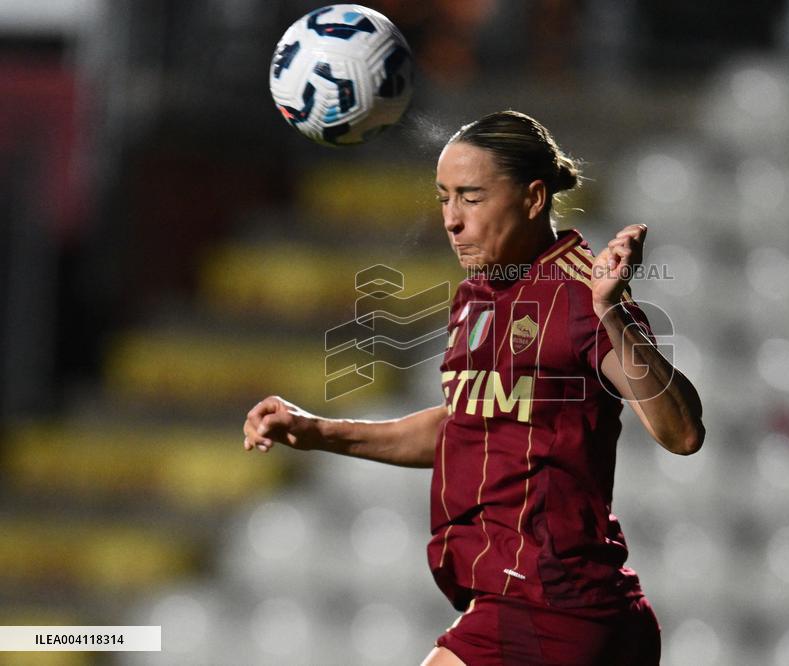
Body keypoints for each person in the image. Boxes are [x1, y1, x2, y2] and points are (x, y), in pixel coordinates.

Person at [242, 110, 705, 665]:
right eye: (444, 198)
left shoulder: (583, 291)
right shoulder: (477, 297)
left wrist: (611, 311)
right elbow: (464, 426)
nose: (451, 220)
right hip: (536, 602)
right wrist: (317, 430)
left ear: (534, 199)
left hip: (554, 607)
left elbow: (681, 433)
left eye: (471, 197)